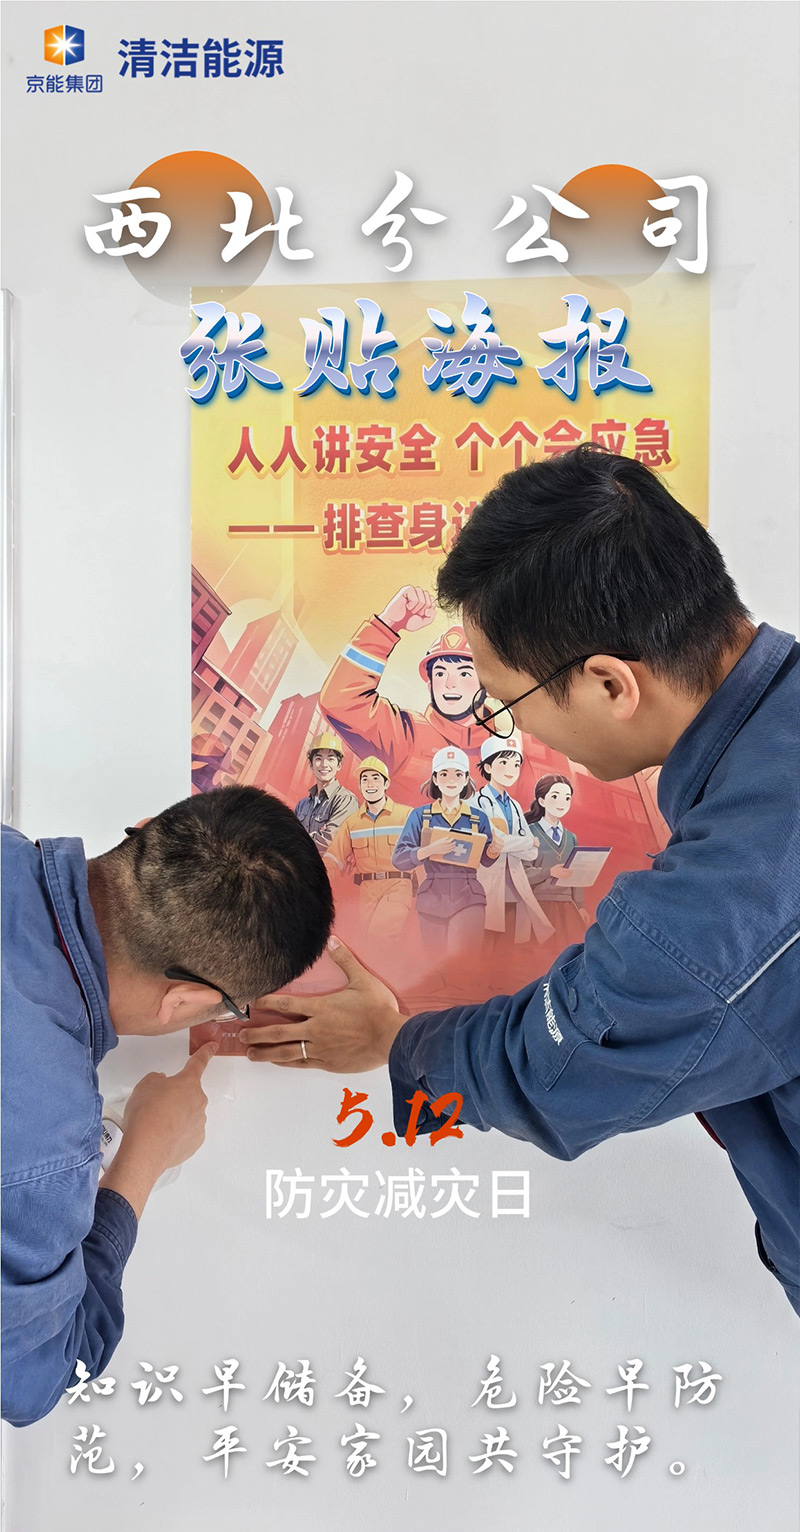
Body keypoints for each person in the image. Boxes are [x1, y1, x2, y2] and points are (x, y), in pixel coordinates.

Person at [238, 446, 800, 1318]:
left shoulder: (720, 905)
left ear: (610, 683)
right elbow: (347, 708)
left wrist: (397, 1041)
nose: (505, 724)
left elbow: (563, 1062)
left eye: (505, 699)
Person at [1, 786, 333, 1426]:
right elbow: (37, 1373)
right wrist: (145, 1155)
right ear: (183, 1001)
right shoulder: (47, 1144)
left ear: (146, 826)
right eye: (231, 1007)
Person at [391, 747, 500, 967]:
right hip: (432, 897)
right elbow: (399, 858)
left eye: (458, 774)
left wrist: (495, 849)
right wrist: (428, 850)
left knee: (465, 962)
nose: (451, 780)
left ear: (466, 779)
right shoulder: (419, 816)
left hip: (469, 895)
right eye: (444, 774)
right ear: (435, 779)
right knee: (435, 964)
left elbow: (486, 860)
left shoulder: (478, 818)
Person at [323, 757, 414, 945]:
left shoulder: (406, 815)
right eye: (364, 779)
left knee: (379, 936)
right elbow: (333, 859)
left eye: (375, 778)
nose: (370, 784)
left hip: (398, 885)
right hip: (367, 891)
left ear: (386, 783)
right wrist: (317, 884)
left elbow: (424, 853)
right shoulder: (352, 823)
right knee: (369, 944)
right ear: (359, 785)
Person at [475, 734, 554, 947]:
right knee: (485, 946)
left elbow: (532, 852)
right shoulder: (476, 803)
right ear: (488, 767)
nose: (511, 769)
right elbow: (491, 842)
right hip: (487, 885)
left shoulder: (516, 806)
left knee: (511, 947)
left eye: (516, 764)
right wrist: (526, 842)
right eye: (503, 762)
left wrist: (517, 844)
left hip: (515, 887)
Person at [293, 731, 357, 852]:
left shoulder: (345, 800)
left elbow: (329, 842)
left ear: (339, 765)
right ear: (311, 764)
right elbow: (286, 836)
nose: (324, 764)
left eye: (330, 759)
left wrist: (297, 840)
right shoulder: (302, 805)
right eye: (318, 758)